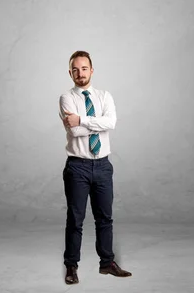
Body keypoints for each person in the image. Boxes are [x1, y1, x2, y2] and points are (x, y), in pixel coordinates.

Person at [59, 50, 132, 285]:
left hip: (102, 165)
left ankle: (107, 263)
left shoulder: (104, 96)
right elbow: (74, 131)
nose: (80, 73)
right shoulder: (66, 98)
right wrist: (93, 124)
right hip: (77, 166)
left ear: (92, 70)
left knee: (105, 218)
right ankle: (71, 266)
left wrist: (81, 119)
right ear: (70, 72)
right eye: (75, 69)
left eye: (84, 68)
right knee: (75, 219)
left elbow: (110, 123)